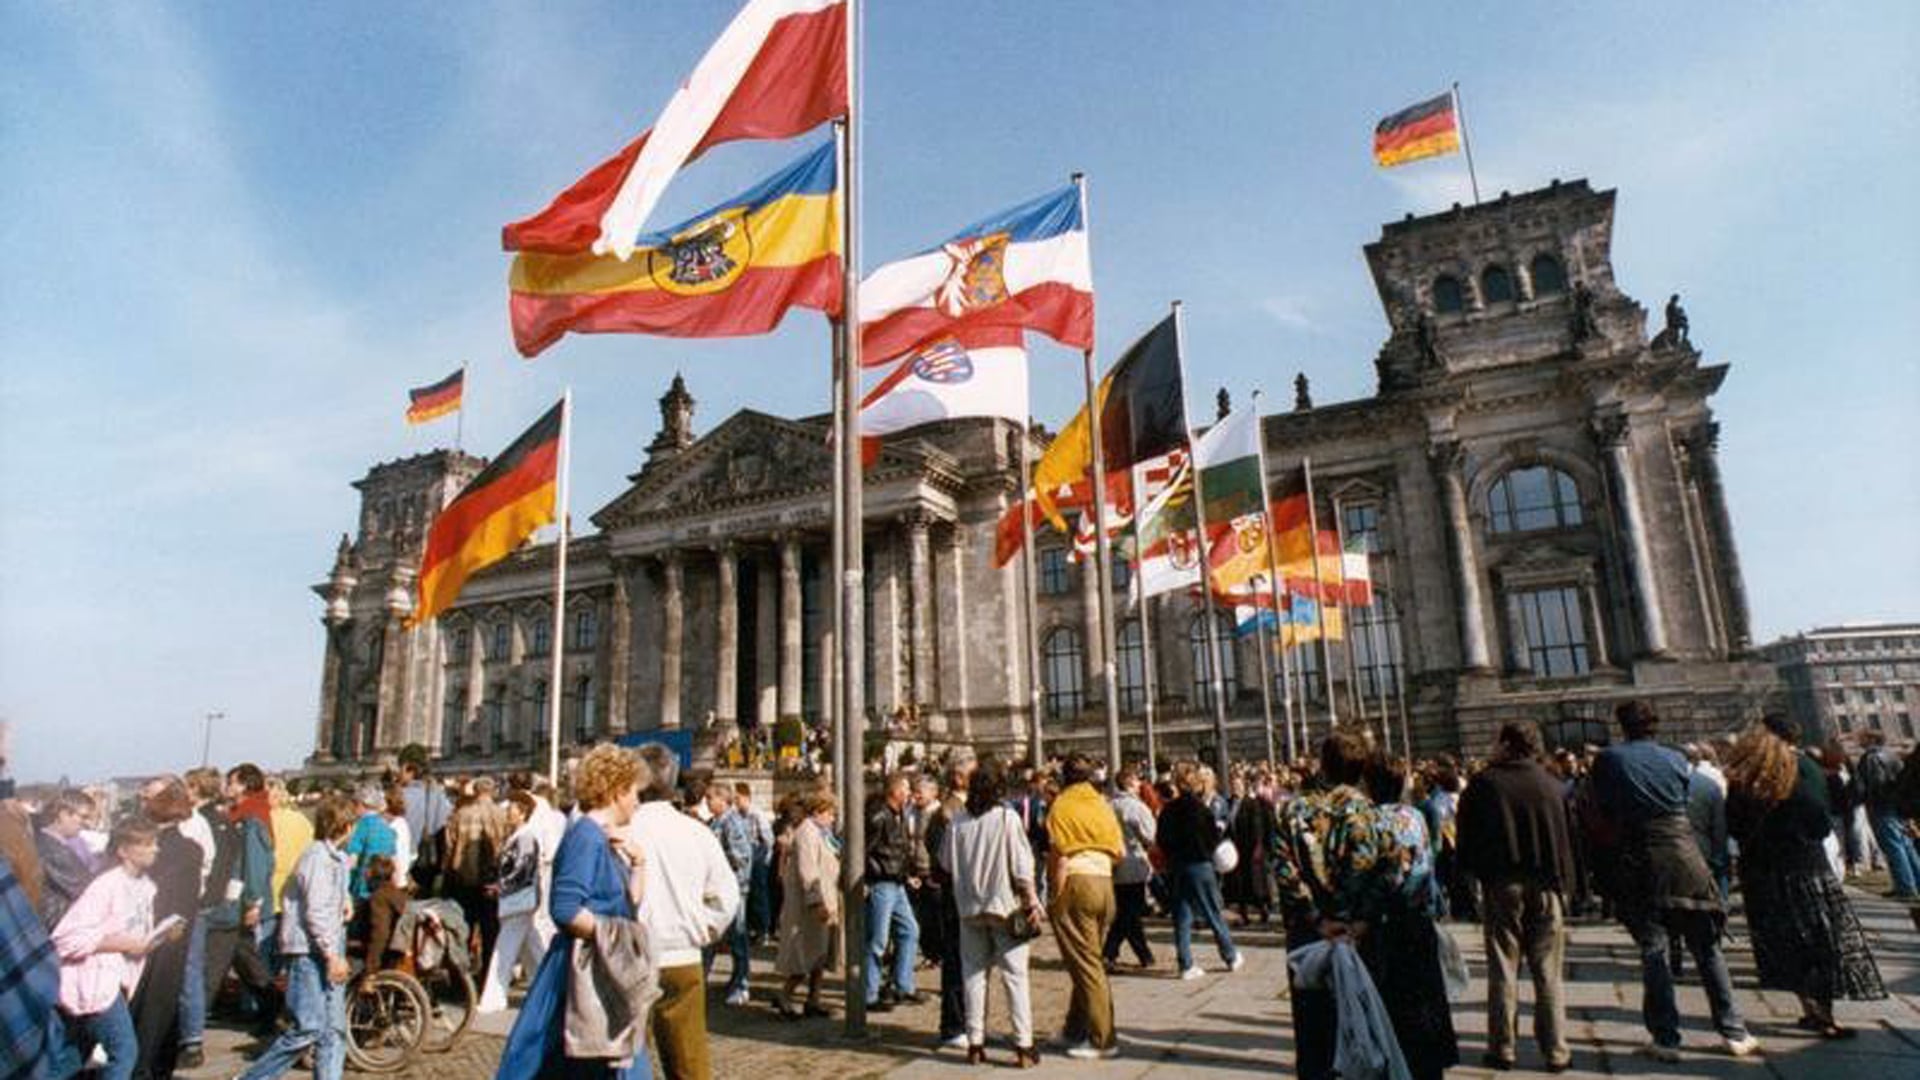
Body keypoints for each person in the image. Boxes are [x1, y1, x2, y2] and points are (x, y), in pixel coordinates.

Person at [1589, 702, 1758, 1062]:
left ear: (1622, 726)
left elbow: (1602, 809)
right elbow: (1683, 800)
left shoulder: (1610, 759)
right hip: (1686, 854)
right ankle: (1735, 1032)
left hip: (1642, 858)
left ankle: (1666, 1039)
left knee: (1655, 950)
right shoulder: (1677, 759)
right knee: (1708, 948)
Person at [495, 744, 651, 1080]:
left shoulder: (602, 838)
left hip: (600, 965)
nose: (638, 802)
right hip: (581, 970)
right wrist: (613, 937)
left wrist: (639, 863)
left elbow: (627, 903)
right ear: (616, 790)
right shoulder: (585, 837)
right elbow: (564, 909)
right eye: (635, 792)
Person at [1725, 715, 1887, 1038]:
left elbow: (1734, 826)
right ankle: (1824, 1013)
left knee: (1787, 944)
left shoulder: (1745, 775)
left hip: (1763, 873)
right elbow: (1821, 822)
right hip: (1807, 867)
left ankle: (1809, 1008)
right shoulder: (1806, 769)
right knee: (1821, 941)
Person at [1271, 730, 1415, 1080]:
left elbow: (1284, 871)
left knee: (1313, 1032)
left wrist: (1317, 919)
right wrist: (1361, 921)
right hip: (1361, 938)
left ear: (1323, 762)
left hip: (1309, 937)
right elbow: (1393, 870)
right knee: (1364, 1025)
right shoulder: (1370, 812)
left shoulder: (1292, 809)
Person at [1458, 721, 1577, 1073]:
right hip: (1547, 886)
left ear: (1508, 746)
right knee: (1548, 972)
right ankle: (1556, 1050)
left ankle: (1502, 1048)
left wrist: (1471, 882)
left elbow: (1467, 839)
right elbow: (1568, 841)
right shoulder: (1552, 785)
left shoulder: (1484, 784)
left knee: (1503, 968)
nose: (1493, 747)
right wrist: (1569, 886)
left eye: (1497, 741)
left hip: (1502, 885)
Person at [623, 744, 737, 1080]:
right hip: (683, 957)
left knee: (626, 1061)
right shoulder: (697, 832)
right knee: (689, 1064)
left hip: (631, 958)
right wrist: (703, 929)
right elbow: (726, 897)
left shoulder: (622, 831)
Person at [238, 795, 355, 1080]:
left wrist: (345, 898)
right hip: (309, 950)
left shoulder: (336, 859)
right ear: (347, 826)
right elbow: (316, 912)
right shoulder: (317, 858)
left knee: (333, 1030)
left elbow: (327, 902)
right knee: (308, 1028)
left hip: (325, 945)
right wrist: (332, 955)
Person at [53, 817, 176, 1080]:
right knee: (124, 1051)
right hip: (94, 980)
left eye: (155, 843)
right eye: (147, 844)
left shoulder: (146, 886)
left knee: (73, 1054)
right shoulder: (105, 886)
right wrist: (122, 943)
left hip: (115, 979)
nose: (156, 849)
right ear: (123, 850)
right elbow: (66, 938)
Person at [940, 756, 1042, 1068]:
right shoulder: (1005, 817)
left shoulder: (957, 820)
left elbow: (944, 862)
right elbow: (1022, 865)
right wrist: (1031, 899)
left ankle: (975, 1041)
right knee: (1015, 976)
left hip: (969, 906)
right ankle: (1023, 1045)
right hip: (1004, 905)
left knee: (973, 975)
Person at [1363, 755, 1461, 1080]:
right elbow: (1428, 857)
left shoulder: (1369, 821)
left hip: (1386, 925)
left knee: (1394, 1005)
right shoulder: (1416, 816)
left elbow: (1377, 878)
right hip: (1419, 920)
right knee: (1425, 999)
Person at [1044, 752, 1123, 1061]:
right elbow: (1119, 852)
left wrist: (1055, 892)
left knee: (1087, 965)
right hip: (1105, 882)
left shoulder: (1062, 805)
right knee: (1088, 959)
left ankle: (1103, 1038)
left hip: (1076, 881)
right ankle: (1075, 1028)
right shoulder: (1101, 804)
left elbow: (1059, 854)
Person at [128, 776, 201, 1080]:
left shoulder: (149, 849)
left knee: (139, 1004)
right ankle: (157, 1066)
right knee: (163, 1006)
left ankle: (139, 1066)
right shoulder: (190, 850)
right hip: (175, 936)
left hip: (142, 933)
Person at [1156, 761, 1242, 980]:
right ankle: (1230, 955)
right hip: (1199, 865)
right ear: (1196, 784)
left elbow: (1161, 840)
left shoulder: (1168, 810)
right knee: (1212, 911)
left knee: (1182, 916)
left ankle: (1186, 964)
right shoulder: (1200, 809)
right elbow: (1212, 838)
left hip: (1177, 866)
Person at [479, 790, 550, 1013]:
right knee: (533, 950)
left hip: (518, 899)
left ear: (522, 814)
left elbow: (522, 869)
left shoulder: (525, 837)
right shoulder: (520, 836)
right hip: (520, 900)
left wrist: (501, 886)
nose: (508, 813)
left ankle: (494, 997)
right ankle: (548, 990)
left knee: (504, 951)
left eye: (511, 810)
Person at [774, 789, 840, 1020]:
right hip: (808, 907)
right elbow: (808, 870)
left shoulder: (822, 833)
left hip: (825, 899)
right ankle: (785, 997)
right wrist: (816, 902)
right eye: (831, 813)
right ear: (819, 811)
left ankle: (814, 999)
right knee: (804, 954)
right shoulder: (807, 834)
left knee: (819, 955)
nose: (833, 818)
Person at [863, 771, 923, 1012]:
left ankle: (903, 984)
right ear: (896, 791)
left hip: (896, 882)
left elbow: (897, 850)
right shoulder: (878, 815)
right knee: (877, 940)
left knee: (910, 930)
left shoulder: (896, 814)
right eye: (907, 789)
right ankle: (869, 994)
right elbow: (862, 849)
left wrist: (906, 874)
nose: (909, 793)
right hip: (881, 883)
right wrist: (868, 878)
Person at [707, 783, 762, 1006]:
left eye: (711, 798)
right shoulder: (716, 822)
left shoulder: (731, 823)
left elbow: (742, 856)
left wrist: (717, 862)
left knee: (738, 937)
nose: (708, 803)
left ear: (723, 800)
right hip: (718, 887)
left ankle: (742, 984)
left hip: (734, 888)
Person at [1103, 764, 1157, 970]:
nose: (1140, 783)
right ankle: (1109, 952)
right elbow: (1150, 836)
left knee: (1126, 911)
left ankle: (1144, 954)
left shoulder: (1107, 805)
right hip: (1133, 864)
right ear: (1129, 783)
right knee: (1129, 913)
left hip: (1113, 865)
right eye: (1137, 780)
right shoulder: (1136, 807)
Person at [1855, 730, 1919, 899]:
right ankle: (1914, 882)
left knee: (1893, 847)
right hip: (1899, 805)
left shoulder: (1871, 758)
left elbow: (1875, 785)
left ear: (1871, 739)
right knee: (1906, 845)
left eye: (1862, 737)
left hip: (1882, 806)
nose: (1858, 740)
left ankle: (1906, 887)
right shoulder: (1891, 755)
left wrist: (1866, 799)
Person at [34, 789, 96, 930]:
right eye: (83, 817)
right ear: (63, 814)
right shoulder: (52, 849)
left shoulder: (46, 842)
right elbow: (88, 889)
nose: (86, 823)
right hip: (57, 927)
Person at [398, 753, 453, 895]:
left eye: (402, 771)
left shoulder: (401, 795)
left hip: (407, 851)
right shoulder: (437, 793)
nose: (399, 775)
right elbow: (446, 820)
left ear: (411, 773)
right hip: (430, 852)